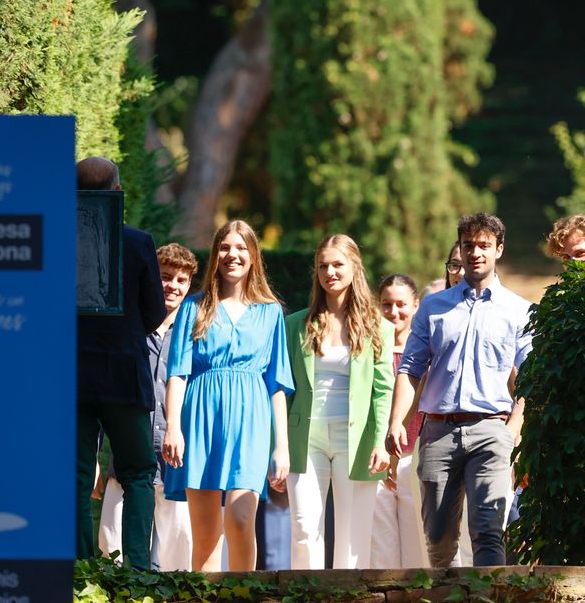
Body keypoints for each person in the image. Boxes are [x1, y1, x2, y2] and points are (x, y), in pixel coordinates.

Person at [383, 213, 533, 567]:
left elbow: (531, 378)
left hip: (492, 430)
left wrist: (514, 428)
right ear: (460, 251)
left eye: (484, 245)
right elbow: (410, 368)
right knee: (438, 536)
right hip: (438, 431)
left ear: (499, 250)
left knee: (488, 531)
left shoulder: (518, 310)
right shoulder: (434, 308)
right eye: (469, 245)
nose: (475, 252)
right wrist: (395, 421)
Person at [162, 220, 294, 571]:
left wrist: (281, 447)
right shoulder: (194, 307)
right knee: (205, 537)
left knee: (239, 521)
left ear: (253, 256)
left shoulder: (270, 313)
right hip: (201, 422)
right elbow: (177, 373)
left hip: (251, 425)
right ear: (215, 254)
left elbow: (277, 384)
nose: (232, 255)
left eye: (240, 248)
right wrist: (173, 426)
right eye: (225, 247)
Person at [76, 157, 166, 568]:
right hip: (125, 375)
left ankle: (77, 567)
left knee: (74, 475)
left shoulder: (55, 240)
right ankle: (138, 570)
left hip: (72, 376)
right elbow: (153, 314)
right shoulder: (137, 241)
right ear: (117, 192)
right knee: (138, 472)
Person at [283, 235, 394, 569]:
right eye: (322, 266)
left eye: (337, 264)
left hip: (356, 440)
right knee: (304, 529)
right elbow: (283, 389)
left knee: (352, 537)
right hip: (305, 438)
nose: (329, 272)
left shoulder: (378, 327)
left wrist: (380, 442)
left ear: (354, 267)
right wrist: (279, 446)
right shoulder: (295, 325)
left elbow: (383, 389)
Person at [98, 243, 198, 570]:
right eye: (166, 277)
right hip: (126, 456)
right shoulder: (129, 328)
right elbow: (104, 390)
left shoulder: (196, 335)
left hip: (178, 460)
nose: (173, 286)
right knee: (112, 549)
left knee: (176, 555)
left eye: (182, 280)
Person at [369, 273, 429, 569]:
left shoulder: (427, 352)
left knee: (418, 544)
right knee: (380, 548)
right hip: (375, 458)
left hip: (413, 456)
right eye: (386, 304)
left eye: (401, 304)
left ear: (416, 305)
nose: (394, 312)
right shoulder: (368, 351)